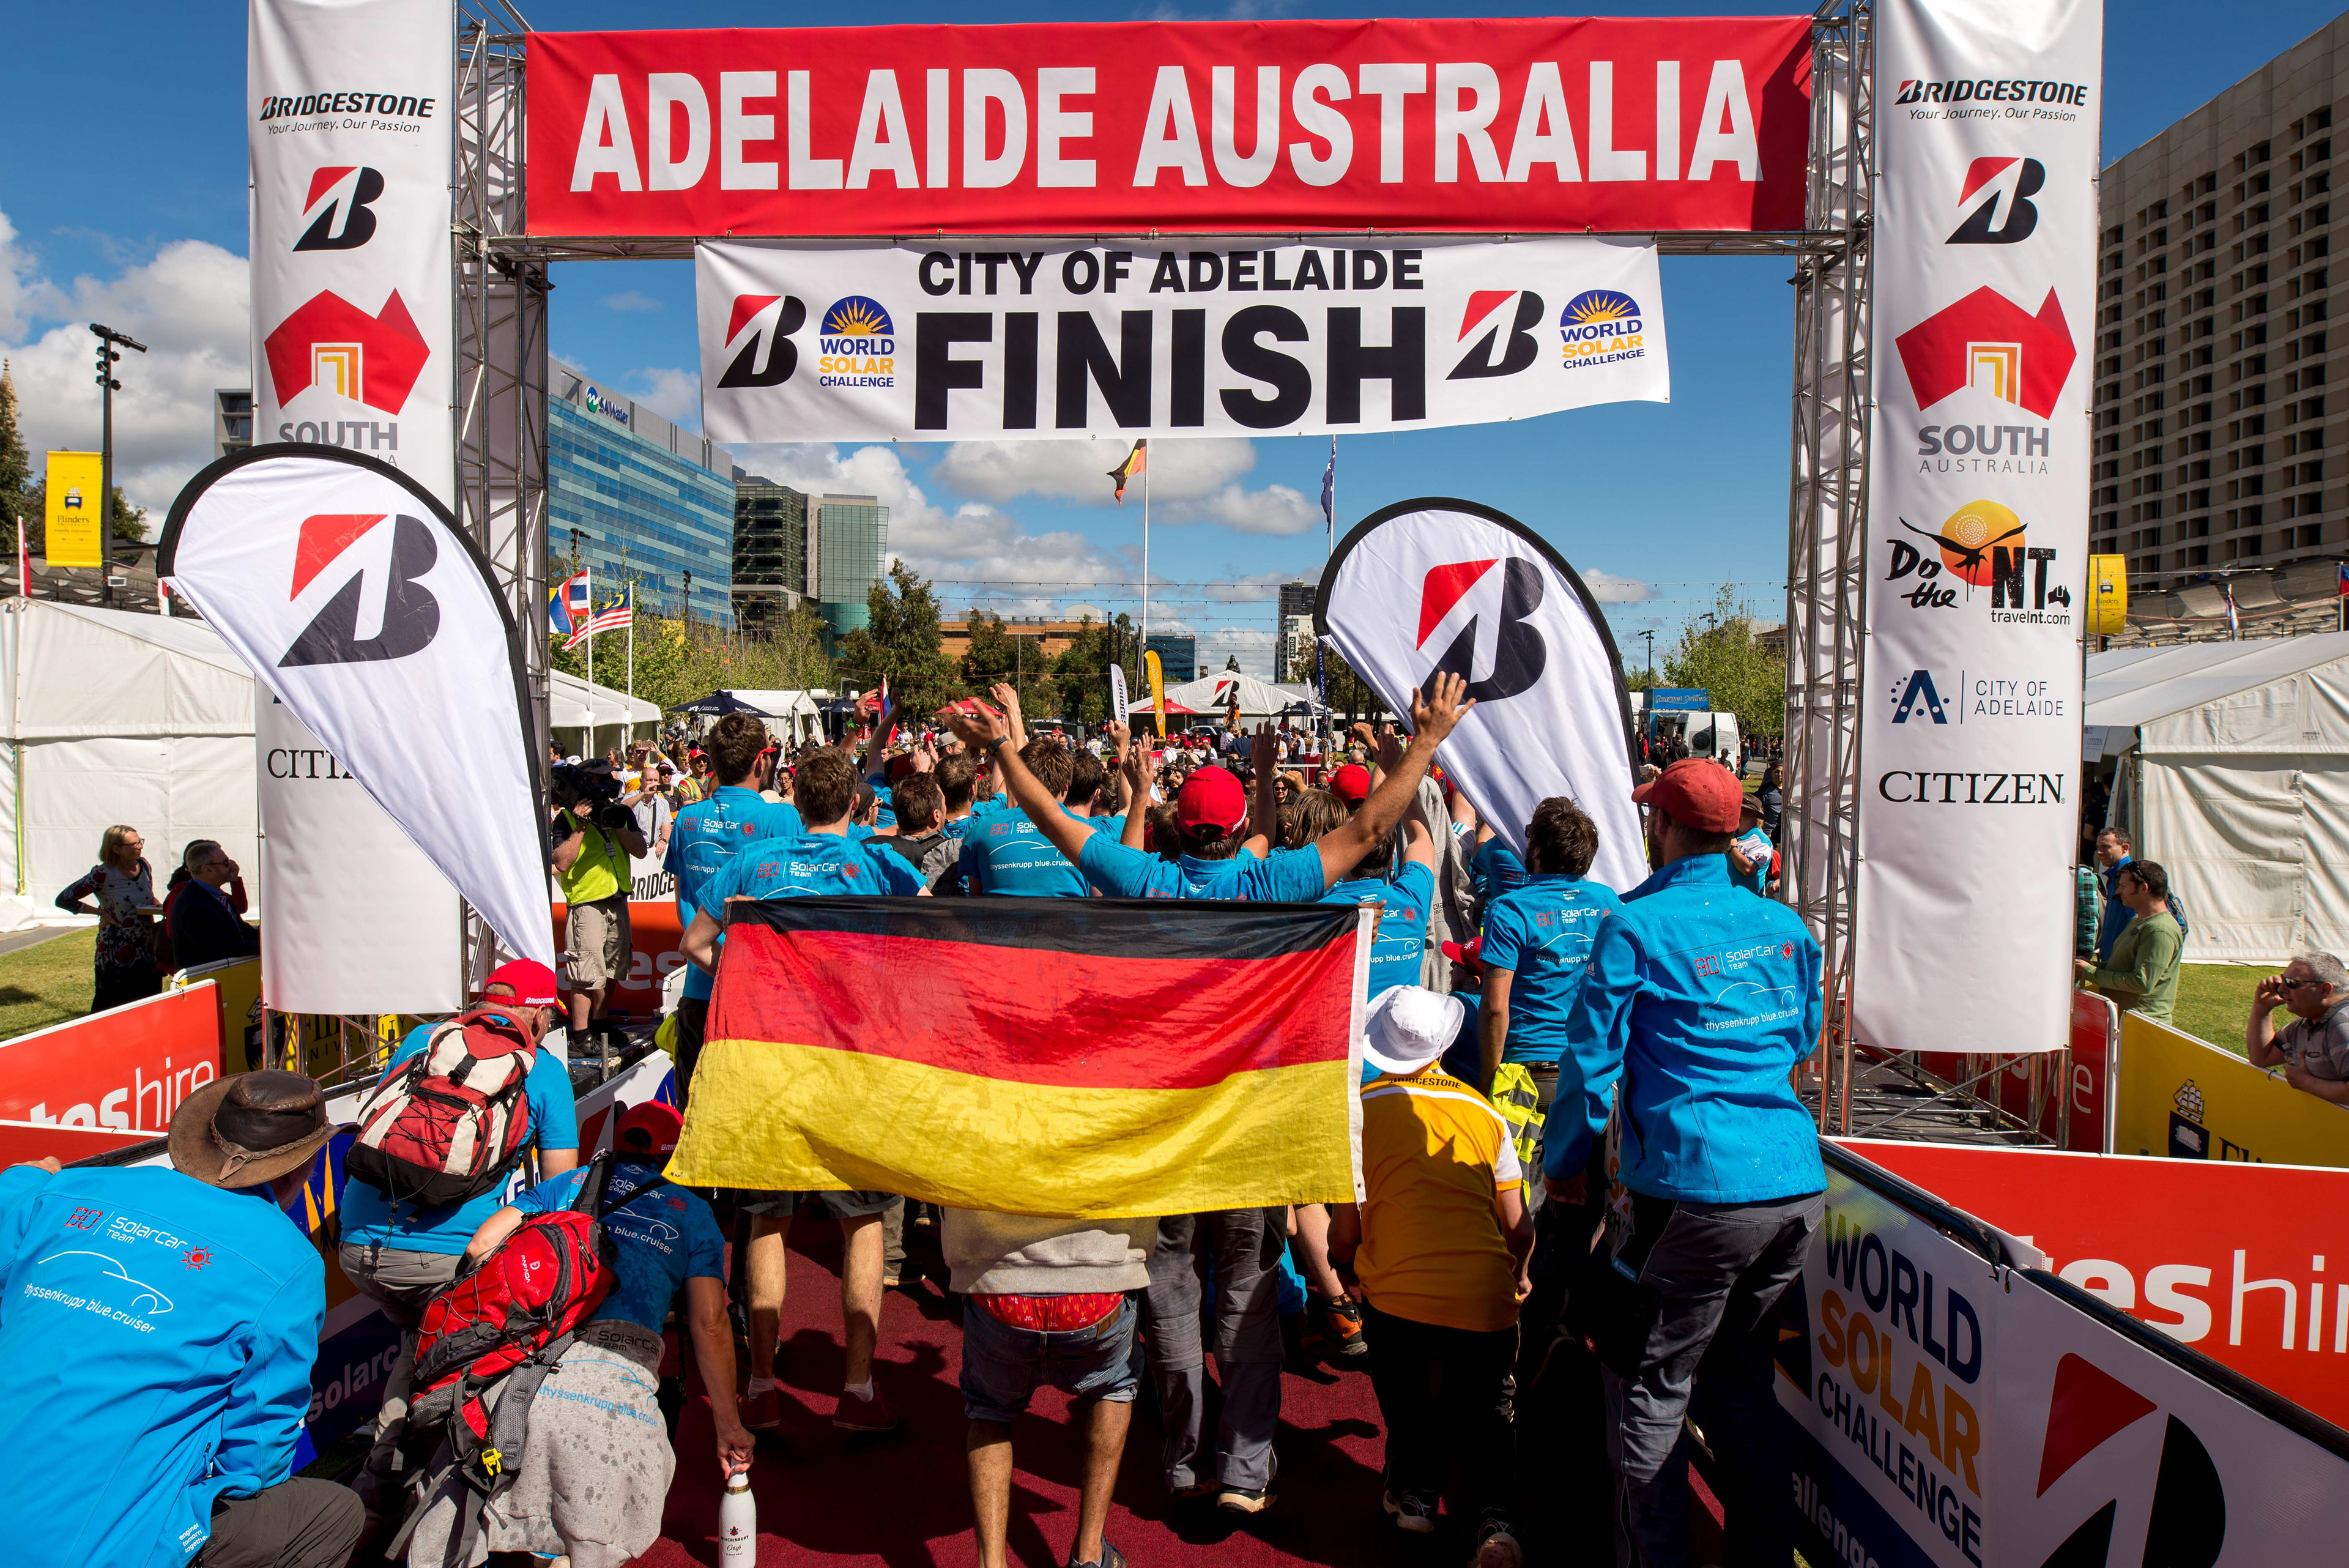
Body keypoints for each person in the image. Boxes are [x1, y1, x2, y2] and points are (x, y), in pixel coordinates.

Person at [941, 674, 1475, 1515]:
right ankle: (1246, 1470)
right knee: (1249, 1294)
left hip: (1163, 1129)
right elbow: (1373, 827)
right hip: (1253, 1126)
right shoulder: (1273, 882)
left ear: (1179, 826)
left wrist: (1006, 746)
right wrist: (1428, 740)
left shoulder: (1143, 877)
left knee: (1171, 1289)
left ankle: (1185, 1460)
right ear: (1236, 834)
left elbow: (1052, 819)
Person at [1554, 757, 1825, 1568]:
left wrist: (1565, 1165)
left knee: (1648, 1386)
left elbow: (1588, 1065)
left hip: (1692, 1191)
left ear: (1663, 825)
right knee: (1742, 1384)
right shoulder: (1787, 926)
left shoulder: (1636, 924)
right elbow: (1803, 1038)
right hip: (1791, 1182)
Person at [0, 1072, 364, 1568]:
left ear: (204, 1136)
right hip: (95, 1551)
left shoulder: (64, 1191)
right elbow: (255, 1460)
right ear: (300, 1168)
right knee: (334, 1513)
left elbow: (19, 1193)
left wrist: (26, 1179)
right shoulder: (287, 1262)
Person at [678, 747, 926, 1436]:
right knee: (864, 1220)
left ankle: (761, 1387)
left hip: (769, 1058)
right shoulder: (876, 864)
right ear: (854, 804)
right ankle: (858, 1388)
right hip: (848, 1059)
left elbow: (694, 944)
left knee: (767, 1220)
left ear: (796, 802)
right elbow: (930, 933)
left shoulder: (753, 862)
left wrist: (749, 977)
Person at [401, 1104, 753, 1567]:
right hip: (621, 1369)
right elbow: (709, 1323)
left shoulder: (571, 1183)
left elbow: (481, 1245)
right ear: (676, 1154)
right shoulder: (694, 1214)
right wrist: (728, 1427)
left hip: (534, 1353)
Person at [339, 960, 580, 1514]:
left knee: (418, 1345)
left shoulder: (424, 1041)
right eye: (549, 1016)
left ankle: (381, 1489)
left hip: (357, 1246)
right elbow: (561, 1190)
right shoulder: (542, 1068)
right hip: (446, 1257)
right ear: (536, 1015)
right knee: (464, 1362)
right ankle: (419, 1502)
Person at [1329, 987, 1531, 1568]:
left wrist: (1346, 1268)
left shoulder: (1358, 1113)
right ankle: (1497, 1517)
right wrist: (1520, 1273)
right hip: (1485, 1298)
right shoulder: (1486, 1113)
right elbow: (1518, 1227)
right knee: (1489, 1412)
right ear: (1441, 1047)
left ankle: (1415, 1490)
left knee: (1407, 1398)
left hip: (1395, 1299)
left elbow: (1344, 1237)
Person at [948, 1204, 1153, 1568]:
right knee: (1114, 1388)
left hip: (998, 1287)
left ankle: (991, 1564)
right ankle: (1089, 1554)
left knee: (990, 1410)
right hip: (1098, 1288)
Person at [663, 713, 803, 1109]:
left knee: (694, 1121)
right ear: (762, 761)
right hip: (758, 994)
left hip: (699, 987)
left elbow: (682, 900)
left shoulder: (687, 818)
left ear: (712, 759)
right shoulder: (781, 817)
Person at [552, 763, 649, 1053]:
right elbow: (561, 862)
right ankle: (580, 1035)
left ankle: (600, 1022)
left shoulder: (621, 813)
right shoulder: (567, 818)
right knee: (584, 972)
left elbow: (640, 850)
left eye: (610, 777)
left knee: (614, 967)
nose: (607, 783)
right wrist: (581, 825)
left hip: (617, 900)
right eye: (600, 778)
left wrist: (617, 824)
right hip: (587, 903)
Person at [56, 822, 162, 1011]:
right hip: (117, 951)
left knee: (148, 1004)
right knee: (112, 1006)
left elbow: (147, 894)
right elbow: (65, 899)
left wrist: (156, 905)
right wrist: (101, 913)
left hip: (147, 948)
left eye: (140, 841)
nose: (139, 846)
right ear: (116, 849)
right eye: (133, 844)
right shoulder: (102, 874)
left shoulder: (143, 866)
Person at [2076, 859, 2183, 1022]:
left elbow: (2141, 982)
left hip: (2141, 1024)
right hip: (2122, 1019)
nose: (2118, 891)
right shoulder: (2138, 921)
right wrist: (2087, 965)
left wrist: (2089, 972)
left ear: (2144, 888)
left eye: (2123, 886)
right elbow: (2122, 966)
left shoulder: (2160, 930)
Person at [2247, 951, 2349, 1105]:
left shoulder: (2343, 1026)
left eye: (2292, 983)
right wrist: (2262, 1009)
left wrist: (2307, 1083)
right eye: (2283, 981)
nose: (2281, 989)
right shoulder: (2309, 1022)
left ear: (2325, 990)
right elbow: (2261, 1057)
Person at [167, 839, 261, 970]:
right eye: (225, 863)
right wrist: (265, 946)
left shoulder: (216, 896)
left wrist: (267, 937)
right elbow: (222, 947)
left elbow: (241, 930)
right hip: (205, 978)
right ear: (207, 869)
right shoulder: (192, 903)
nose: (231, 867)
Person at [1727, 795, 1772, 896]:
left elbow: (1748, 869)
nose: (1736, 814)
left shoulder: (1762, 842)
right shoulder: (1730, 834)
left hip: (1750, 900)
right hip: (1728, 897)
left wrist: (1733, 848)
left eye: (1741, 810)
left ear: (1753, 814)